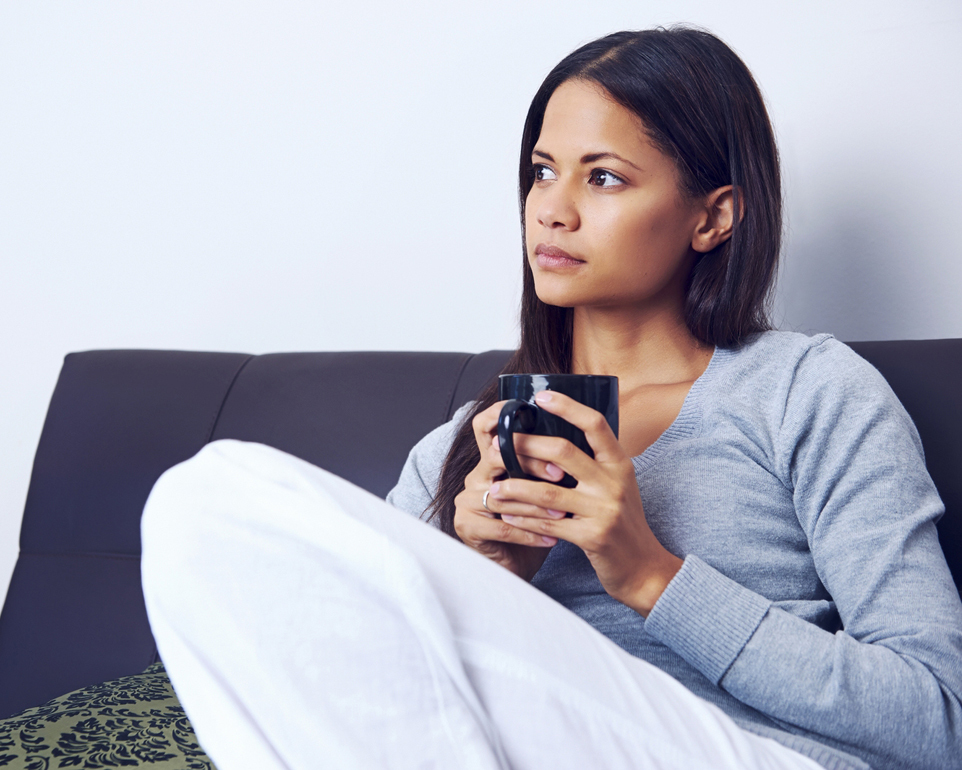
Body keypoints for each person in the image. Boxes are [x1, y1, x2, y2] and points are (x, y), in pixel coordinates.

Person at [141, 27, 962, 770]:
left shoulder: (806, 393)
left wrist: (651, 576)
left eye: (603, 177)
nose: (552, 211)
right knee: (202, 500)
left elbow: (941, 717)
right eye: (541, 172)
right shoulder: (458, 448)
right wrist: (478, 578)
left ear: (713, 217)